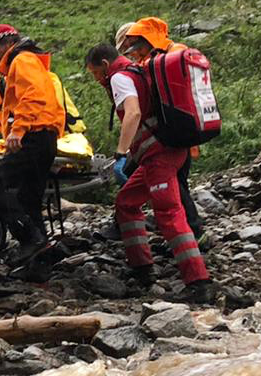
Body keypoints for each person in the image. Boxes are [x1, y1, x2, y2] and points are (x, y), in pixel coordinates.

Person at [84, 41, 213, 302]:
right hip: (163, 152)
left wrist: (121, 153)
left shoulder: (119, 78)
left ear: (105, 65)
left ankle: (198, 282)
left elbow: (133, 113)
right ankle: (142, 269)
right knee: (126, 202)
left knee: (169, 214)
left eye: (95, 73)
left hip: (159, 156)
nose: (97, 80)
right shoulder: (137, 71)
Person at [0, 24, 64, 266]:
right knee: (29, 198)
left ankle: (29, 239)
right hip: (44, 137)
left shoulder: (21, 60)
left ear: (6, 43)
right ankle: (39, 264)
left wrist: (18, 130)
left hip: (33, 137)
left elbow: (33, 96)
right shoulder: (27, 60)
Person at [118, 17, 204, 237]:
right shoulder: (167, 55)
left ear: (147, 39)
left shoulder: (164, 58)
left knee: (176, 182)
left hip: (171, 135)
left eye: (136, 45)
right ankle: (188, 230)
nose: (134, 51)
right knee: (176, 181)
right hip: (178, 131)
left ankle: (193, 232)